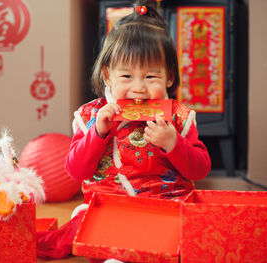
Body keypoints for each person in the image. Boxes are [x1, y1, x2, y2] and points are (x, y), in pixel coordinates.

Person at [37, 0, 211, 261]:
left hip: (162, 209)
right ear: (108, 76)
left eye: (151, 77)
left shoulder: (178, 118)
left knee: (190, 234)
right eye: (127, 77)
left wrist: (173, 143)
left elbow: (200, 169)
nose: (139, 87)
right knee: (84, 224)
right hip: (109, 208)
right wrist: (97, 133)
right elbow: (76, 171)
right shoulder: (91, 116)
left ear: (170, 77)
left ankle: (131, 253)